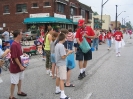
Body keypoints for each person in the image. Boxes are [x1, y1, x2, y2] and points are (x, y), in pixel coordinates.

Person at [9, 30, 27, 99]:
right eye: (21, 34)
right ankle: (11, 96)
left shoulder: (19, 43)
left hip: (20, 65)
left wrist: (23, 54)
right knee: (14, 82)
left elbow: (19, 54)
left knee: (20, 79)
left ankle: (19, 91)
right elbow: (14, 57)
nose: (22, 35)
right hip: (15, 66)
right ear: (18, 35)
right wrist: (20, 66)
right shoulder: (14, 45)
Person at [55, 33, 73, 99]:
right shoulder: (61, 46)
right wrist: (68, 53)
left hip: (58, 63)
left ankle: (57, 89)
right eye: (65, 38)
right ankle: (62, 95)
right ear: (63, 38)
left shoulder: (57, 45)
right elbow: (63, 56)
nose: (66, 39)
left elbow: (59, 53)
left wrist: (66, 50)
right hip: (62, 64)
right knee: (62, 79)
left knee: (58, 77)